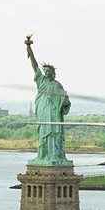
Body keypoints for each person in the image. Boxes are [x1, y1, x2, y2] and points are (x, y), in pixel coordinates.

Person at [25, 35, 72, 166]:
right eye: (44, 71)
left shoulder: (57, 85)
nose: (45, 73)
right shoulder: (41, 81)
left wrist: (65, 102)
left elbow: (64, 99)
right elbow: (34, 66)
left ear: (53, 73)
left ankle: (54, 155)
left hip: (53, 113)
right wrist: (29, 50)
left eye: (48, 71)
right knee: (43, 134)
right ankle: (43, 155)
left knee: (53, 133)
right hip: (43, 110)